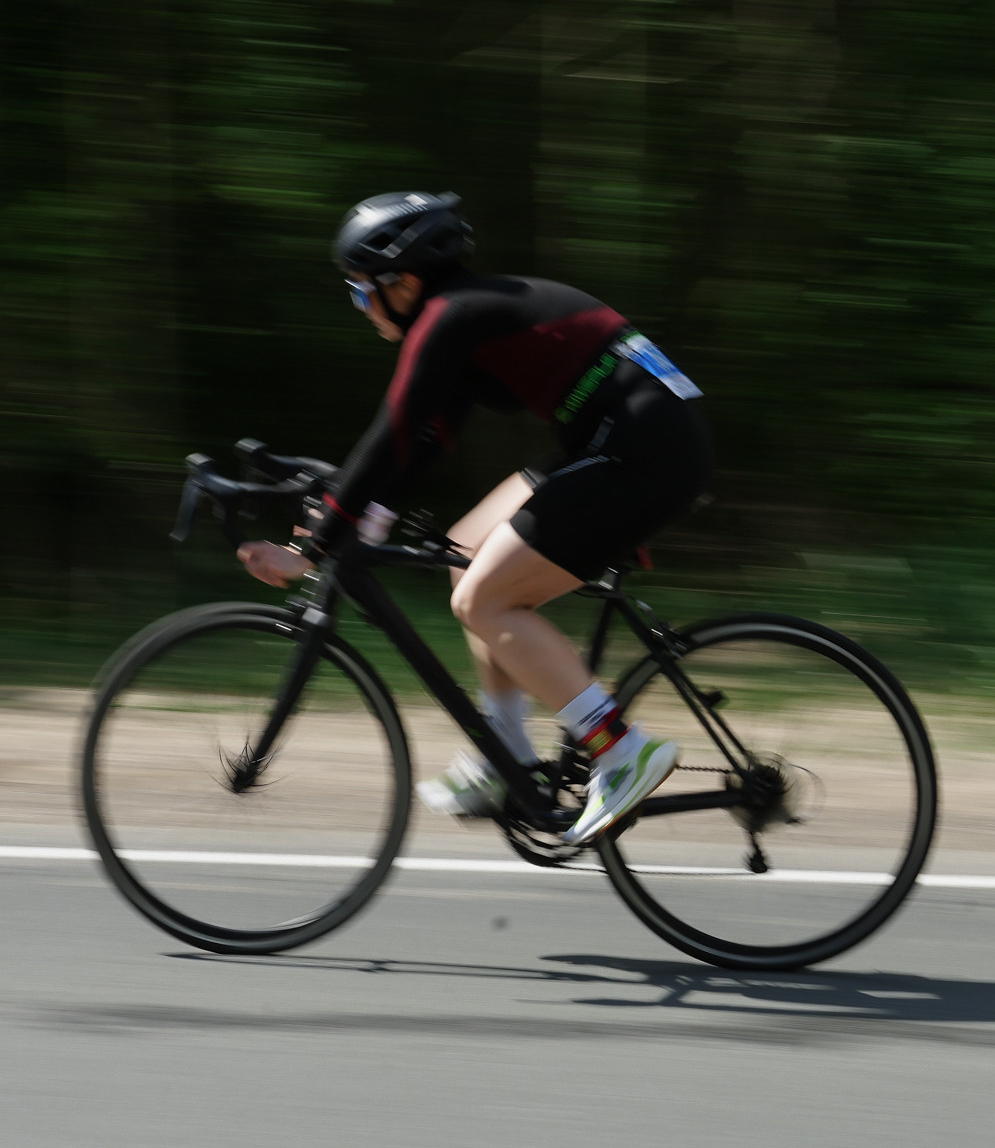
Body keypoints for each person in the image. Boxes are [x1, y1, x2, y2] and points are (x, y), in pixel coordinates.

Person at [235, 191, 714, 847]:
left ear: (402, 283)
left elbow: (393, 429)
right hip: (626, 438)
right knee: (465, 552)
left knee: (486, 600)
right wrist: (353, 515)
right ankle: (506, 753)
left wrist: (314, 547)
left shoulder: (447, 317)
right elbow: (424, 440)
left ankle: (622, 750)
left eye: (359, 290)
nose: (360, 305)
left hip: (641, 450)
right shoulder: (466, 315)